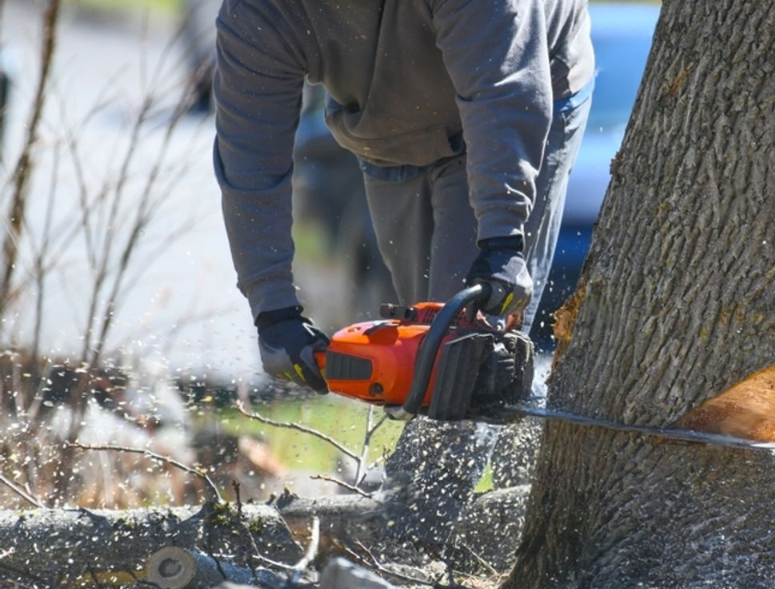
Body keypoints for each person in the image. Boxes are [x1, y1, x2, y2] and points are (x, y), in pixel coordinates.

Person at [212, 0, 594, 392]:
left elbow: (502, 91)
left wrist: (504, 238)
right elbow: (250, 164)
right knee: (421, 355)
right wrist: (273, 312)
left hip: (510, 93)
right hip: (389, 127)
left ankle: (475, 424)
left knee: (462, 355)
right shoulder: (257, 14)